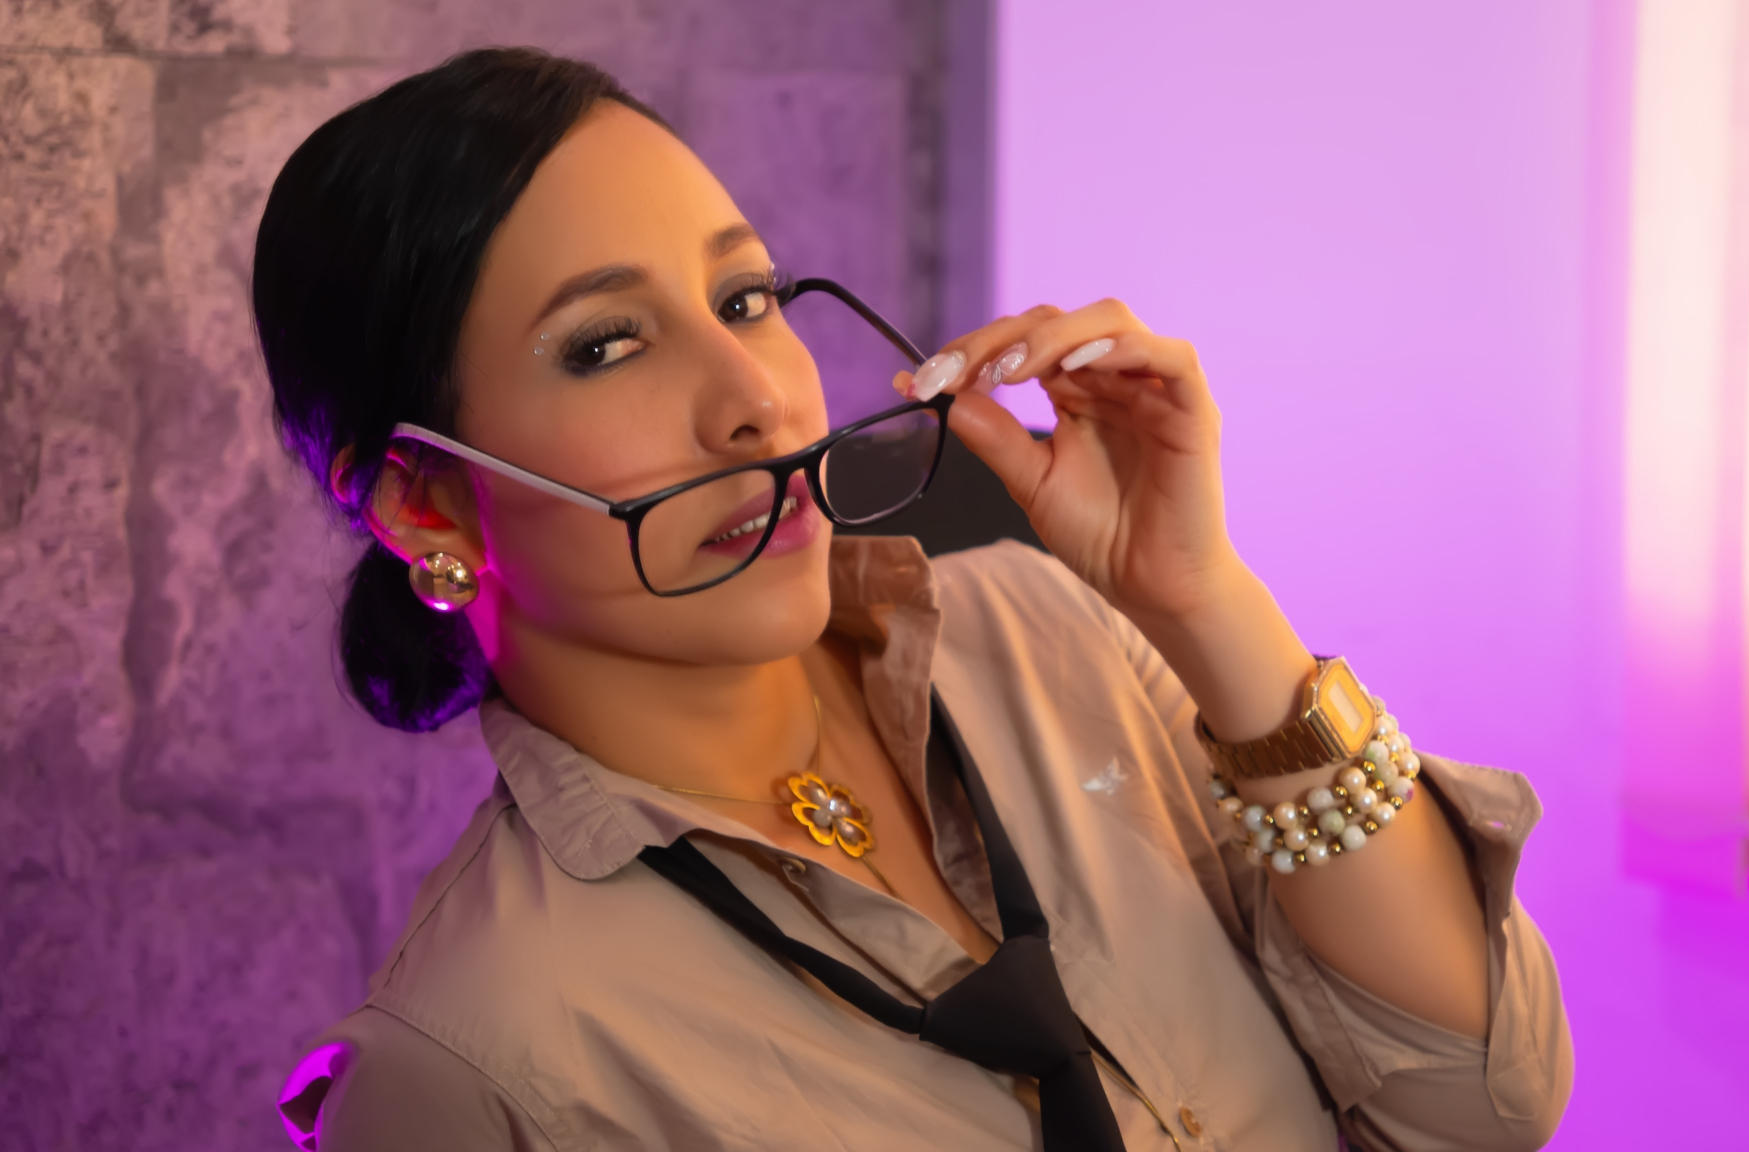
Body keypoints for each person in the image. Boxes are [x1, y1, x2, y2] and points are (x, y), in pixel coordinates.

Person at [258, 46, 1571, 1152]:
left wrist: (1204, 603)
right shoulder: (474, 1064)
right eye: (607, 346)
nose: (757, 399)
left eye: (746, 298)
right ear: (426, 507)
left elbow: (1482, 1102)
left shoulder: (1049, 631)